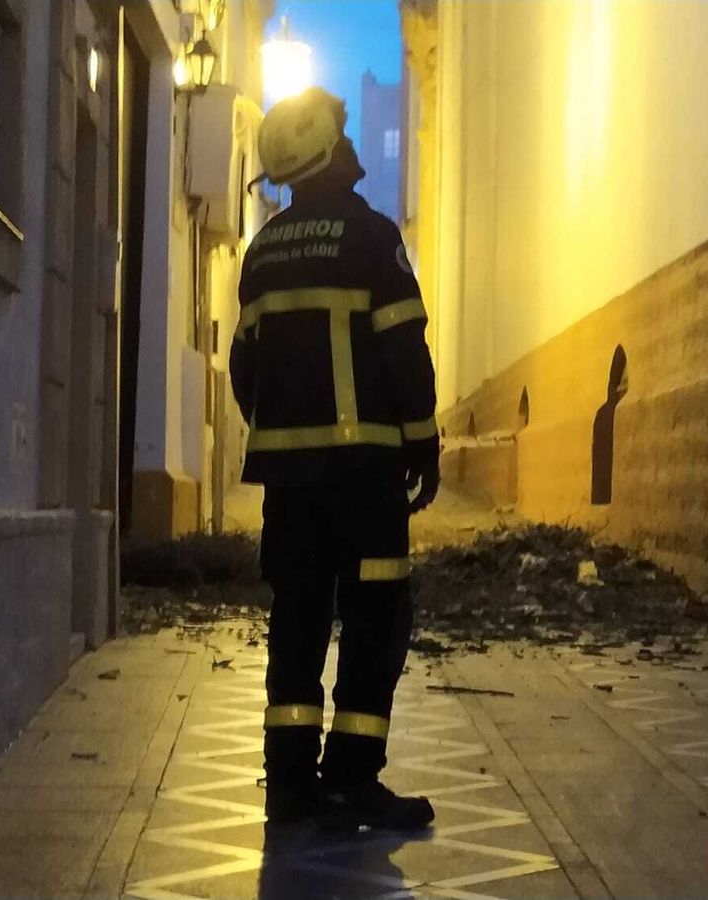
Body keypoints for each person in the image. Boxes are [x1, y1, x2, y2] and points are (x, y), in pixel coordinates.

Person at [231, 87, 440, 831]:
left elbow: (244, 367)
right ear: (331, 153)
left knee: (297, 619)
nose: (354, 152)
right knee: (376, 618)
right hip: (364, 480)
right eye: (344, 140)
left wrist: (282, 433)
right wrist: (423, 440)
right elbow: (404, 350)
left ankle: (290, 786)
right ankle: (351, 779)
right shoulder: (371, 238)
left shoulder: (262, 252)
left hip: (288, 485)